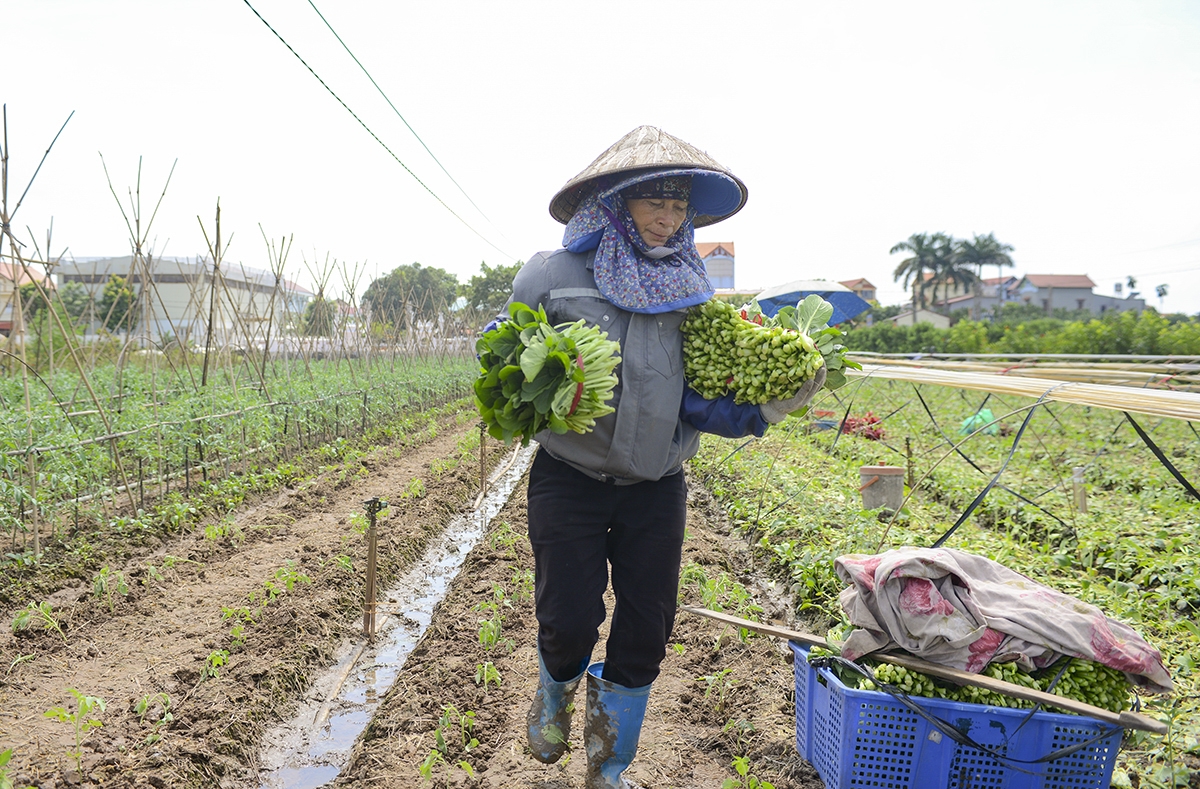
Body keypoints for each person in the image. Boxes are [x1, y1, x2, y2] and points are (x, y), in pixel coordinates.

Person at [506, 126, 824, 788]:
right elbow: (505, 357)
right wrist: (538, 385)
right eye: (654, 203)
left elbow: (701, 402)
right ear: (618, 202)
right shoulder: (551, 275)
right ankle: (553, 703)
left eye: (678, 206)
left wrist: (769, 407)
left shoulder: (693, 288)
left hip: (656, 486)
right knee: (567, 620)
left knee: (646, 630)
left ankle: (606, 767)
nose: (667, 218)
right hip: (570, 479)